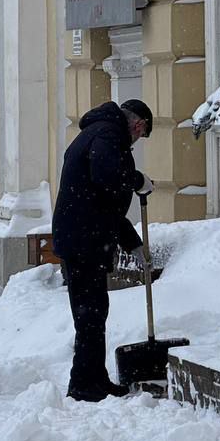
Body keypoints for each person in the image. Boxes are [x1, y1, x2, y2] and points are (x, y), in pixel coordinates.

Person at [52, 99, 155, 402]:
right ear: (138, 125)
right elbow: (108, 179)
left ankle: (94, 377)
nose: (137, 139)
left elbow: (102, 202)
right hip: (84, 240)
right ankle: (83, 384)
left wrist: (133, 244)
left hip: (83, 236)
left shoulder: (98, 132)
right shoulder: (108, 135)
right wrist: (137, 181)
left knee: (93, 312)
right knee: (90, 315)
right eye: (141, 134)